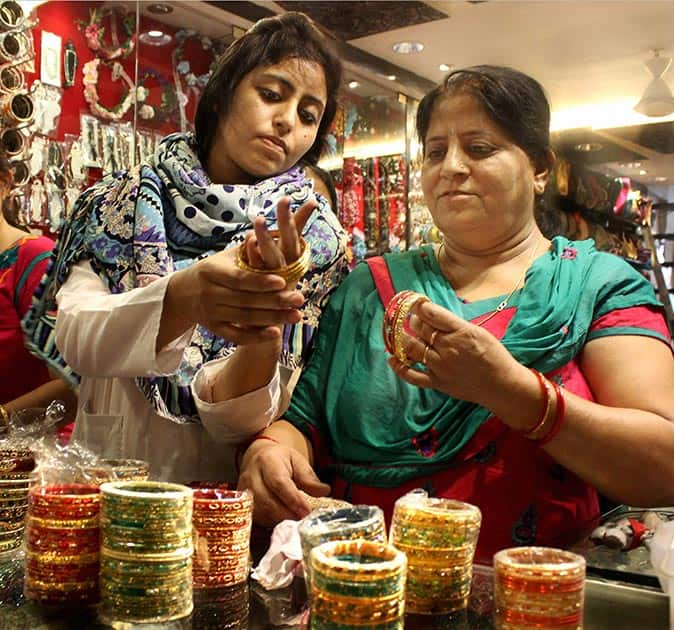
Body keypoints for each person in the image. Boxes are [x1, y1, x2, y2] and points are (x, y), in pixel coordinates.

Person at [238, 65, 674, 562]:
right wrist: (271, 448)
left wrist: (512, 392)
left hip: (528, 599)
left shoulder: (596, 286)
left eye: (480, 148)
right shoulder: (371, 285)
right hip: (361, 590)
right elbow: (305, 420)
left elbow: (664, 465)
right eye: (436, 151)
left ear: (538, 168)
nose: (451, 167)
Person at [23, 12, 348, 483]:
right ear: (224, 93)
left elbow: (243, 420)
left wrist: (260, 338)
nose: (286, 122)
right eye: (272, 94)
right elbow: (76, 340)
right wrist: (180, 297)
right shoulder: (121, 200)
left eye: (308, 115)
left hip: (215, 499)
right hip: (102, 481)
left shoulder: (315, 240)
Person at [0, 147, 76, 438]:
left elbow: (74, 381)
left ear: (5, 182)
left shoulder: (35, 259)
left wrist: (3, 419)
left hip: (35, 462)